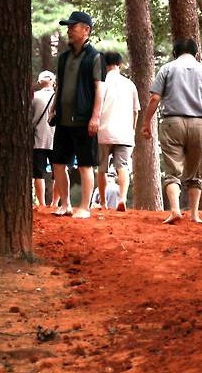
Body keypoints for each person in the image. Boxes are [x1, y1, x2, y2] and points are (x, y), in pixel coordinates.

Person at [142, 38, 202, 224]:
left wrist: (146, 122)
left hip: (172, 122)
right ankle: (195, 215)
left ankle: (174, 210)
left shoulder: (167, 69)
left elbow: (154, 98)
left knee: (173, 170)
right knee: (194, 171)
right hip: (199, 123)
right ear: (196, 53)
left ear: (175, 53)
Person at [50, 11, 106, 219]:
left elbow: (99, 89)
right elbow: (60, 86)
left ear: (86, 30)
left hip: (84, 121)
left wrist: (95, 117)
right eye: (68, 26)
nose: (69, 30)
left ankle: (84, 207)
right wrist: (53, 109)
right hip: (63, 120)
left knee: (85, 164)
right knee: (58, 162)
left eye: (73, 26)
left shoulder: (95, 57)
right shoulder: (63, 58)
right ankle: (65, 205)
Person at [96, 51, 140, 211]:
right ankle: (122, 199)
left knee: (101, 168)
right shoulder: (130, 84)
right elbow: (136, 111)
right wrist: (132, 129)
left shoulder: (101, 82)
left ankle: (102, 202)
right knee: (122, 166)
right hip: (124, 133)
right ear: (120, 65)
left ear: (104, 64)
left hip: (103, 132)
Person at [30, 70, 59, 209]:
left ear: (39, 83)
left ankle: (41, 204)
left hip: (38, 140)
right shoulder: (59, 97)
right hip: (57, 140)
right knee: (58, 172)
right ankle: (54, 203)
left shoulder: (34, 97)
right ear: (53, 82)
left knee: (38, 174)